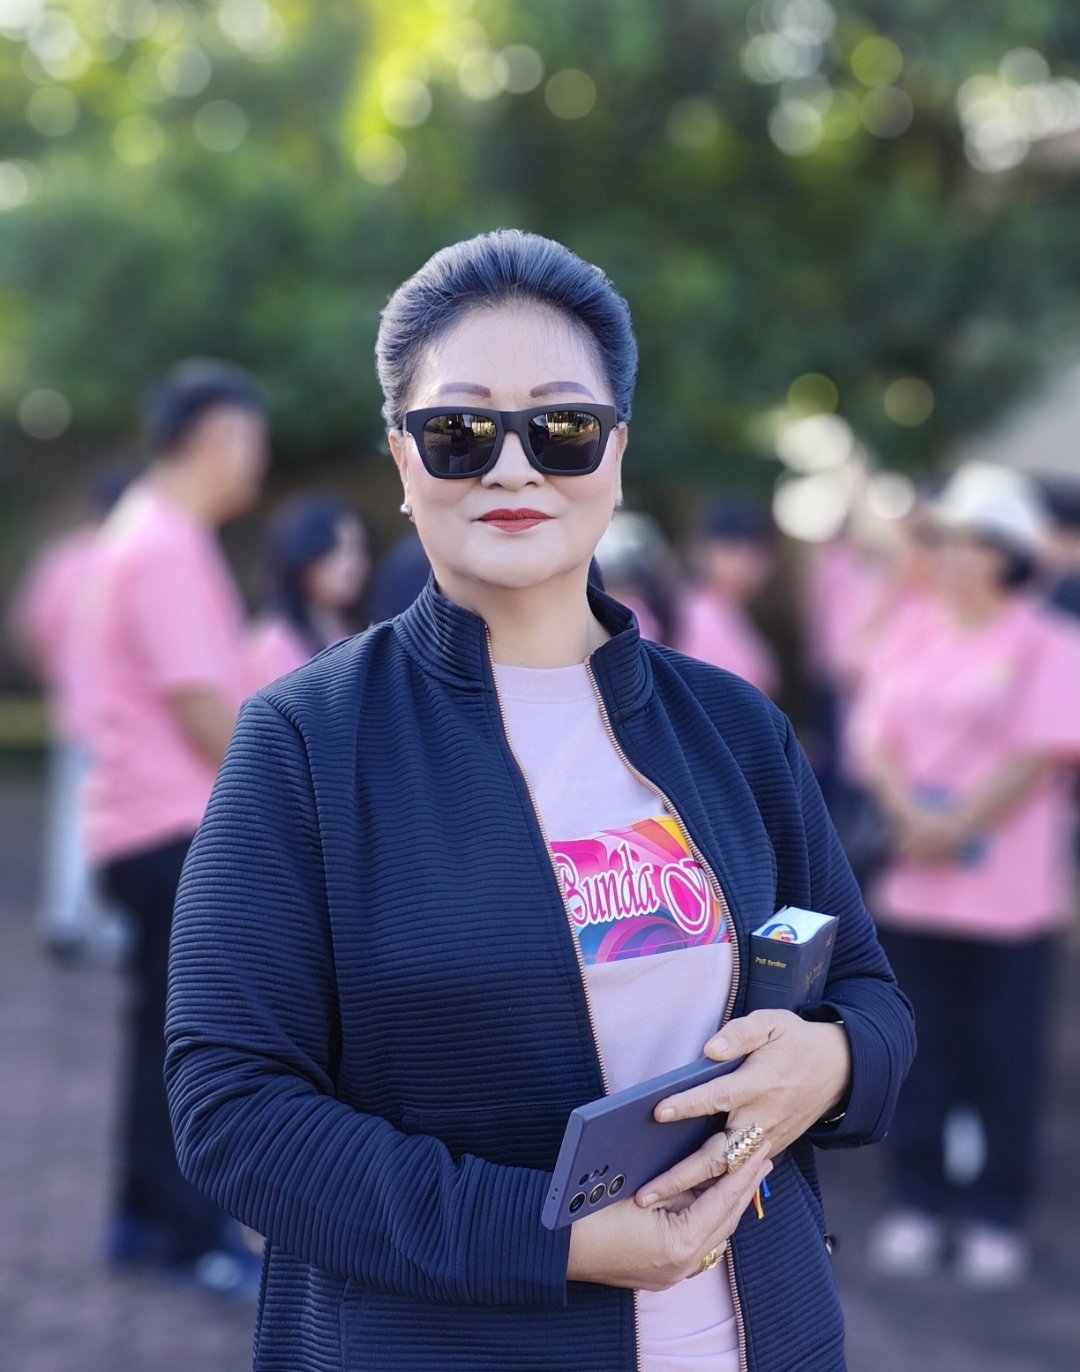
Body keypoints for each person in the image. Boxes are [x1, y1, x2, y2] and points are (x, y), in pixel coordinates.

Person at [165, 231, 914, 1371]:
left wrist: (836, 1063)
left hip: (761, 1334)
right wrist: (550, 1239)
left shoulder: (733, 726)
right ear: (402, 459)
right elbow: (230, 1110)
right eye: (459, 432)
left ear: (616, 450)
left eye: (561, 428)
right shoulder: (303, 743)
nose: (513, 470)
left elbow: (867, 988)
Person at [851, 469, 1080, 1288]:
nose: (945, 555)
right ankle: (919, 1199)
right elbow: (875, 737)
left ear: (1006, 554)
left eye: (965, 541)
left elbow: (1040, 752)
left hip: (1009, 899)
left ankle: (995, 1211)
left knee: (1002, 1062)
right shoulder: (912, 629)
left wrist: (957, 824)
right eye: (941, 540)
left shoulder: (1047, 641)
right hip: (915, 888)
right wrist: (912, 816)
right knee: (920, 1051)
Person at [80, 360, 269, 1291]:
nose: (257, 461)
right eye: (252, 440)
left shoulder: (149, 532)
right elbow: (199, 705)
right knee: (193, 1042)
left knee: (158, 1031)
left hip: (141, 825)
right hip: (169, 827)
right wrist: (279, 789)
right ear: (217, 438)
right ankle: (191, 1236)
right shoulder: (164, 544)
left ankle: (140, 1220)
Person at [6, 472, 129, 962]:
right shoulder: (138, 559)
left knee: (72, 815)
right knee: (122, 816)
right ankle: (110, 923)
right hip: (126, 717)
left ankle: (65, 917)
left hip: (78, 707)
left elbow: (29, 627)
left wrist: (54, 674)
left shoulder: (65, 559)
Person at [246, 491, 371, 687]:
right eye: (338, 550)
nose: (354, 563)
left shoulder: (353, 629)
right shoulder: (274, 643)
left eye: (358, 549)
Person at [675, 497, 779, 696]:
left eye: (755, 551)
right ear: (702, 549)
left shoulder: (730, 609)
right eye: (731, 547)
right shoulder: (697, 614)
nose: (744, 561)